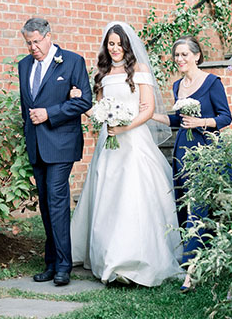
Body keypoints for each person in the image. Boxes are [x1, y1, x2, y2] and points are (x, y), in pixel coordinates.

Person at [69, 21, 182, 287]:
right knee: (108, 198)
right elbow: (99, 111)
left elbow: (147, 108)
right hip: (110, 147)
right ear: (106, 46)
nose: (115, 48)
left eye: (119, 44)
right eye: (111, 44)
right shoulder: (104, 73)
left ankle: (132, 259)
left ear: (127, 46)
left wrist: (123, 127)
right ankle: (108, 256)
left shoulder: (140, 69)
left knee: (133, 198)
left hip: (134, 143)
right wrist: (80, 102)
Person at [152, 35, 232, 291]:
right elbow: (178, 120)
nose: (180, 59)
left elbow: (225, 117)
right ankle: (202, 261)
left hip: (207, 152)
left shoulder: (212, 82)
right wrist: (150, 115)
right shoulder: (177, 86)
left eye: (185, 54)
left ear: (197, 56)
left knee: (199, 209)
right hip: (183, 152)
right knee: (186, 209)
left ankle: (191, 274)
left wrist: (201, 123)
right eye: (177, 55)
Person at [19, 17, 92, 286]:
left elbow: (84, 100)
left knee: (57, 201)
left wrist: (49, 113)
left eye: (36, 41)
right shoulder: (24, 65)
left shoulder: (72, 61)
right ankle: (50, 263)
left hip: (61, 144)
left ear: (49, 36)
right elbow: (24, 105)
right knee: (46, 205)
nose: (32, 47)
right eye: (28, 43)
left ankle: (64, 265)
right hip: (37, 145)